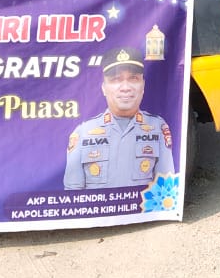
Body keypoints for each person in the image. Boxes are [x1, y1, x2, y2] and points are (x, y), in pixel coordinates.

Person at [63, 47, 175, 189]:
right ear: (104, 88)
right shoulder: (83, 132)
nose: (125, 87)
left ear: (143, 85)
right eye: (116, 79)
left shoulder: (157, 127)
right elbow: (73, 193)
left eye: (133, 78)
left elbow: (166, 188)